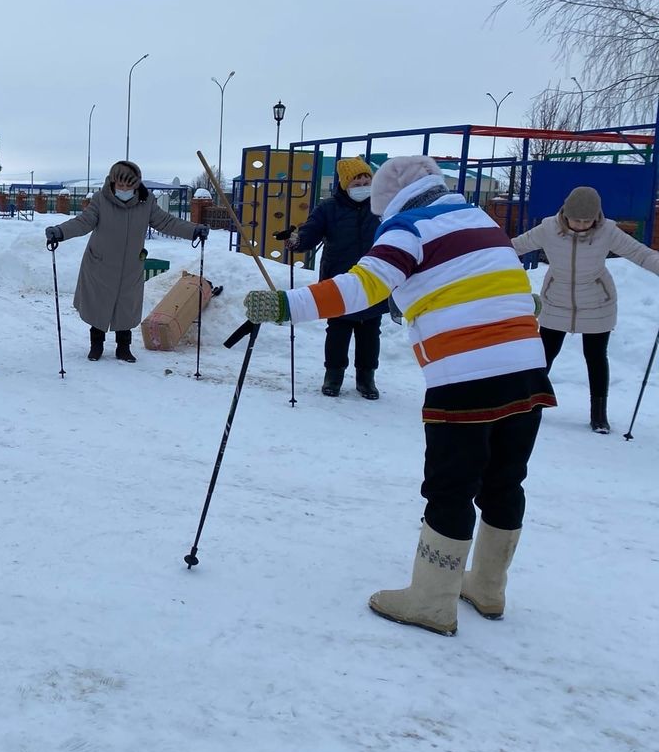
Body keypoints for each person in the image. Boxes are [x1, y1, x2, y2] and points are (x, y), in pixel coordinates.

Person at [243, 155, 554, 636]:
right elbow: (509, 281)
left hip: (466, 375)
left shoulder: (407, 228)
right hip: (528, 368)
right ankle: (488, 589)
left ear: (389, 201)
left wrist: (287, 304)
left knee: (451, 486)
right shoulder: (480, 219)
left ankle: (431, 601)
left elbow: (363, 287)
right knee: (504, 479)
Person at [511, 185, 659, 434]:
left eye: (587, 220)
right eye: (576, 219)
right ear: (565, 214)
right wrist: (483, 254)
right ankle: (531, 403)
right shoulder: (548, 228)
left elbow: (640, 254)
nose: (581, 224)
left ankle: (599, 415)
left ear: (596, 217)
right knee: (544, 354)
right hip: (556, 300)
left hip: (597, 303)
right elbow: (515, 246)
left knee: (596, 357)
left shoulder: (608, 231)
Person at [45, 160, 208, 362]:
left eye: (128, 186)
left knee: (126, 308)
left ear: (136, 184)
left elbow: (167, 222)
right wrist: (60, 232)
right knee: (99, 305)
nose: (124, 189)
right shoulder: (100, 200)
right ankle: (96, 346)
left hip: (131, 265)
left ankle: (124, 348)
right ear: (113, 182)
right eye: (120, 185)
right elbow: (83, 222)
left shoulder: (145, 203)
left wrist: (193, 230)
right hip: (100, 264)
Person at [286, 157, 385, 398]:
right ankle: (334, 375)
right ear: (344, 184)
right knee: (338, 331)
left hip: (374, 278)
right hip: (339, 278)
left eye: (366, 178)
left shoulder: (382, 206)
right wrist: (296, 241)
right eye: (356, 180)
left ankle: (366, 377)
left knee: (370, 332)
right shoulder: (328, 208)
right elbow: (310, 234)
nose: (362, 183)